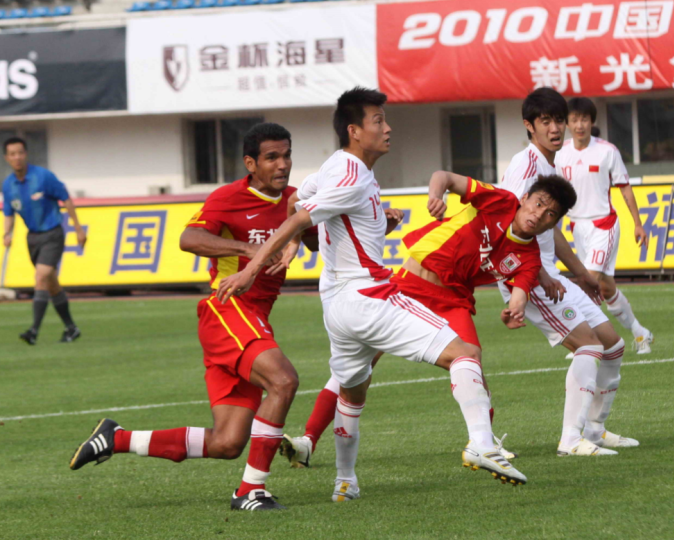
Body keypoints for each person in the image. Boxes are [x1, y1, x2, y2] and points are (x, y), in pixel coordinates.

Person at [217, 87, 528, 503]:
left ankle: (345, 482)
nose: (387, 128)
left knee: (352, 392)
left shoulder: (334, 166)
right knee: (465, 354)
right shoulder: (353, 177)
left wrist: (356, 227)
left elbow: (296, 201)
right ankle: (482, 445)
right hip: (369, 295)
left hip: (337, 306)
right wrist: (251, 270)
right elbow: (299, 218)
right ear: (354, 130)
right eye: (378, 121)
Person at [69, 123, 318, 512]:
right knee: (283, 381)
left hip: (253, 320)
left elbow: (315, 239)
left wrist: (303, 232)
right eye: (272, 157)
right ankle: (250, 491)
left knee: (227, 442)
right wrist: (250, 250)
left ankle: (116, 439)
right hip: (228, 310)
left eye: (286, 155)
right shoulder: (228, 197)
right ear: (250, 163)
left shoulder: (295, 198)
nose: (282, 164)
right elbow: (188, 239)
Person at [278, 174, 578, 470]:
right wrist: (436, 196)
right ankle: (308, 441)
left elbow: (519, 296)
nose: (539, 214)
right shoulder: (501, 201)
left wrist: (514, 311)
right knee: (358, 366)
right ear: (524, 199)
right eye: (538, 203)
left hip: (453, 299)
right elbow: (443, 176)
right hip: (410, 283)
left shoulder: (530, 257)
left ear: (554, 224)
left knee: (471, 361)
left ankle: (484, 443)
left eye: (550, 214)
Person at [499, 88, 638, 457]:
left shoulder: (550, 165)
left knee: (612, 346)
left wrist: (583, 274)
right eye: (545, 121)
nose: (555, 128)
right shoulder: (526, 166)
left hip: (551, 274)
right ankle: (571, 439)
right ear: (529, 126)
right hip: (528, 276)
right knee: (589, 346)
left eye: (559, 120)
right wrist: (539, 276)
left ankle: (594, 430)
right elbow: (509, 222)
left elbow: (551, 230)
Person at [556, 97, 653, 353]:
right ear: (567, 123)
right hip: (577, 227)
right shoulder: (560, 153)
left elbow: (625, 188)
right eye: (575, 120)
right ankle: (640, 333)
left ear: (592, 121)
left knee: (588, 281)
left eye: (584, 119)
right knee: (606, 288)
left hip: (604, 225)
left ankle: (587, 344)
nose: (580, 125)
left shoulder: (607, 151)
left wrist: (638, 224)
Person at [1, 137, 85, 344]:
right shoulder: (8, 185)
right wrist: (6, 233)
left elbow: (66, 198)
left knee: (40, 277)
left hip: (52, 234)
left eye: (20, 153)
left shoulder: (43, 177)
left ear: (26, 154)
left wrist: (78, 228)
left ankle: (33, 331)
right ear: (7, 158)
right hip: (32, 237)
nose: (17, 157)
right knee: (51, 284)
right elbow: (9, 213)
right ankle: (71, 328)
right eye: (12, 154)